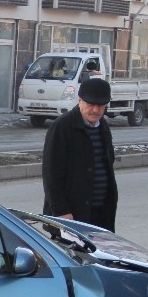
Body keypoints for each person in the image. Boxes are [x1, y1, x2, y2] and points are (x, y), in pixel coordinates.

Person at [41, 78, 118, 231]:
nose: (96, 110)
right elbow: (51, 174)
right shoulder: (62, 126)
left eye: (101, 106)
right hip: (70, 215)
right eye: (91, 104)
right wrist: (61, 211)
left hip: (101, 213)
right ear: (80, 101)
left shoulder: (102, 125)